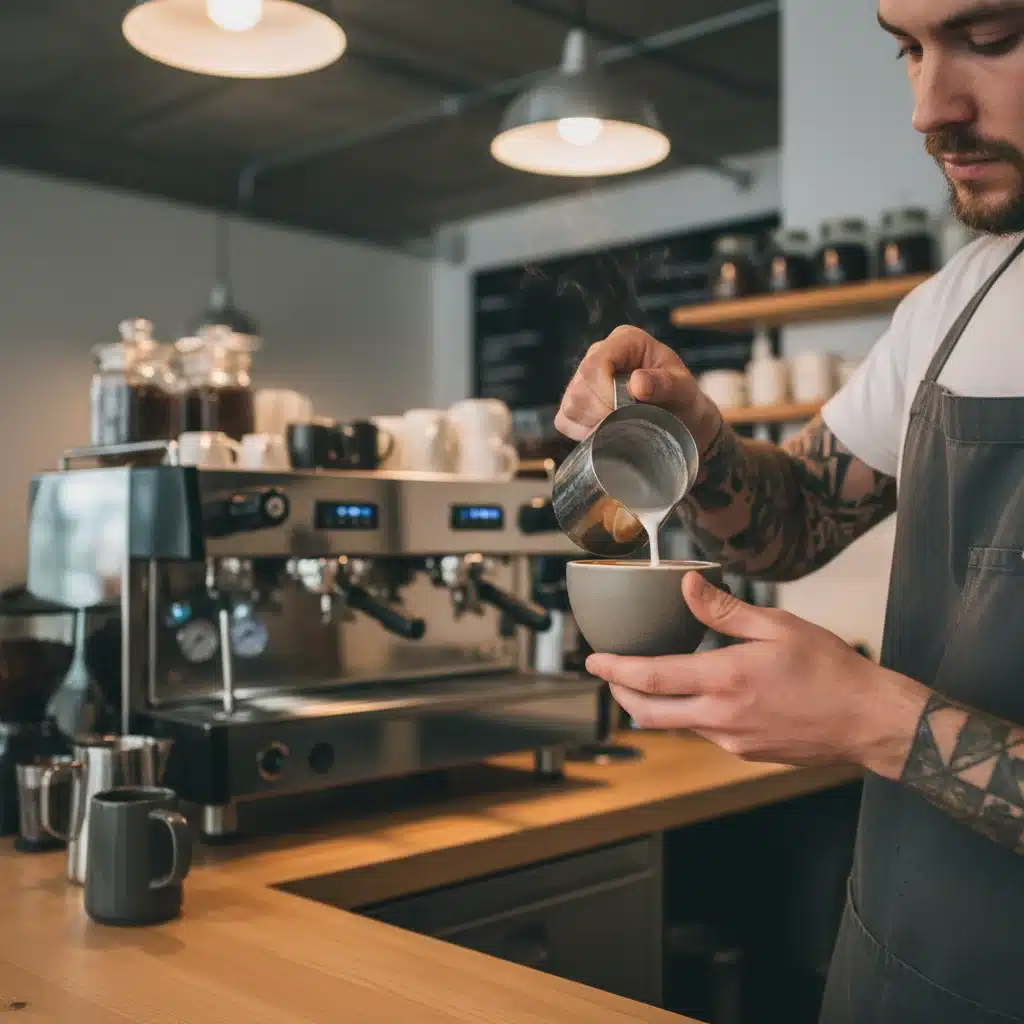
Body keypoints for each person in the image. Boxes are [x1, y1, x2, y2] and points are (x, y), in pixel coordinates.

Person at [555, 2, 1024, 1021]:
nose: (926, 108)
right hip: (896, 968)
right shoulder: (963, 298)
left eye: (991, 39)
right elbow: (798, 517)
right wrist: (697, 435)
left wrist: (872, 717)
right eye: (906, 49)